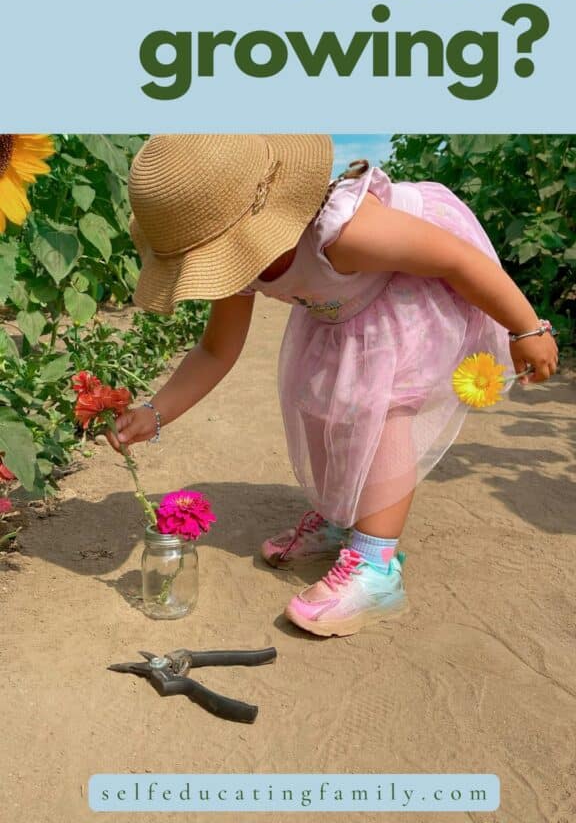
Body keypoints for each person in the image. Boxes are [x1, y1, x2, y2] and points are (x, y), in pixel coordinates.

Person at [107, 134, 558, 637]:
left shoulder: (342, 232)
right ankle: (340, 515)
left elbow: (457, 259)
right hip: (342, 311)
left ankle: (376, 567)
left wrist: (526, 327)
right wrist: (155, 412)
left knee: (385, 409)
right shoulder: (240, 265)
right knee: (320, 404)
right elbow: (216, 350)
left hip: (407, 295)